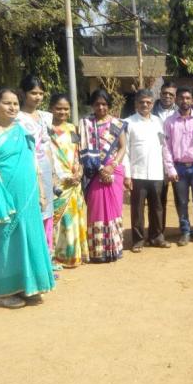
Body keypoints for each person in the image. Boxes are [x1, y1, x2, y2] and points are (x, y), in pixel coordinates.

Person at [0, 89, 55, 308]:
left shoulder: (23, 130)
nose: (13, 107)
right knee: (5, 241)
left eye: (16, 103)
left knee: (28, 238)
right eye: (7, 103)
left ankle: (28, 287)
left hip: (27, 196)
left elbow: (33, 163)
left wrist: (41, 192)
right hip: (1, 198)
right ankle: (4, 292)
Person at [79, 89, 128, 263]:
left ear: (109, 105)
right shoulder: (86, 124)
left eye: (104, 104)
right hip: (93, 173)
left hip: (114, 171)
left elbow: (122, 147)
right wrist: (100, 168)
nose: (101, 107)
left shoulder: (117, 124)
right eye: (97, 104)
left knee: (114, 209)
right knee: (96, 209)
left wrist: (112, 166)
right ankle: (98, 251)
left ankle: (115, 248)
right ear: (92, 105)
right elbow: (82, 150)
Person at [163, 86, 193, 246]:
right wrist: (170, 168)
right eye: (181, 98)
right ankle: (185, 232)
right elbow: (166, 147)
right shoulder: (169, 122)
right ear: (176, 100)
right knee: (182, 202)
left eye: (187, 98)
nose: (184, 101)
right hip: (179, 168)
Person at [124, 89, 170, 252]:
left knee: (157, 207)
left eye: (148, 102)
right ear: (136, 104)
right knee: (137, 209)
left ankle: (156, 237)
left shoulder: (159, 122)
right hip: (138, 173)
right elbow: (125, 151)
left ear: (152, 104)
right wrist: (127, 175)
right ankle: (138, 240)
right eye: (142, 102)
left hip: (157, 173)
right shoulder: (128, 123)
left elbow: (164, 147)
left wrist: (166, 170)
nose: (145, 105)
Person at [48, 93, 89, 267]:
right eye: (58, 108)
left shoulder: (73, 128)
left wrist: (79, 171)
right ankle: (55, 256)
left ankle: (72, 255)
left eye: (66, 109)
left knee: (71, 219)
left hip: (74, 181)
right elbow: (45, 156)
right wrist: (59, 177)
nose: (62, 112)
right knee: (56, 220)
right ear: (51, 108)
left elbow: (77, 152)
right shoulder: (46, 129)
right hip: (55, 182)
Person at [17, 75, 55, 257]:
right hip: (28, 169)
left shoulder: (45, 117)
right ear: (23, 93)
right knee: (32, 211)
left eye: (41, 93)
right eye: (33, 93)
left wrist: (53, 172)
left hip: (46, 168)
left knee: (47, 211)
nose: (38, 97)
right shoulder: (17, 118)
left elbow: (48, 145)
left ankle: (47, 257)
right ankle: (33, 258)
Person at [153, 81, 178, 232]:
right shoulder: (151, 110)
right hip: (156, 160)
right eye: (165, 93)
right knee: (159, 198)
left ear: (175, 97)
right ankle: (159, 231)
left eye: (171, 94)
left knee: (181, 198)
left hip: (177, 161)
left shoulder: (180, 111)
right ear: (160, 94)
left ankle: (185, 230)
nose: (167, 96)